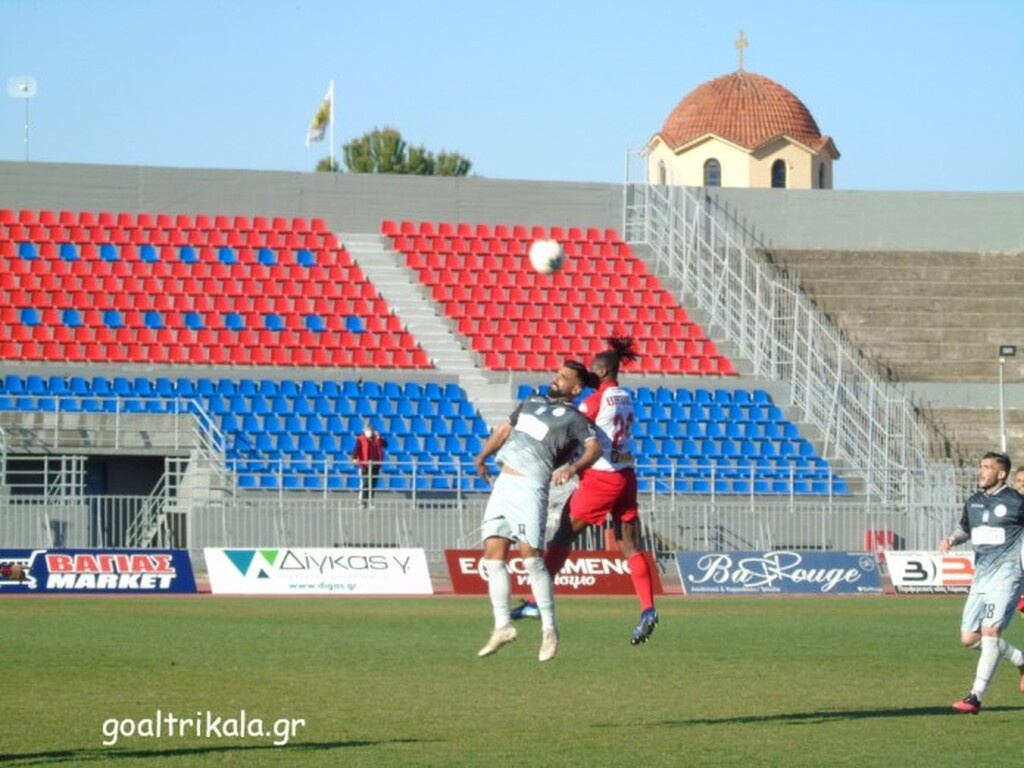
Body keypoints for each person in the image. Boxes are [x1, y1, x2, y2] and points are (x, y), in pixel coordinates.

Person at [511, 337, 660, 645]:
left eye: (593, 368)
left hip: (601, 479)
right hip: (627, 476)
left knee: (563, 536)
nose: (590, 372)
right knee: (630, 546)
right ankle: (647, 608)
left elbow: (573, 429)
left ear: (602, 371)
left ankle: (536, 603)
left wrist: (568, 467)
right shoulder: (627, 396)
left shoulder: (593, 402)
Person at [474, 361, 602, 662]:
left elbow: (593, 449)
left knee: (532, 559)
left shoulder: (573, 418)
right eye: (557, 375)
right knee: (493, 557)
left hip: (531, 487)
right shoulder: (531, 400)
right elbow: (505, 429)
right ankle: (502, 625)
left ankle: (550, 630)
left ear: (576, 388)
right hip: (504, 483)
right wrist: (482, 456)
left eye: (563, 378)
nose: (556, 380)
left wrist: (571, 468)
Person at [940, 451, 1024, 714]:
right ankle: (1021, 660)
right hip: (982, 578)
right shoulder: (974, 501)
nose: (981, 470)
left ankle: (975, 696)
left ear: (1001, 474)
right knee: (968, 638)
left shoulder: (1017, 502)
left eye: (987, 467)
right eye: (981, 466)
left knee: (990, 632)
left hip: (1008, 576)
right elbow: (966, 528)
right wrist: (952, 539)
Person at [352, 425, 387, 508]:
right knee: (365, 484)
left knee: (373, 485)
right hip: (365, 465)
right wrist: (354, 458)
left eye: (371, 430)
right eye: (367, 430)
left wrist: (379, 437)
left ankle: (370, 501)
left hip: (375, 465)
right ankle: (363, 502)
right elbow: (356, 449)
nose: (369, 432)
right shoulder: (361, 439)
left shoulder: (377, 439)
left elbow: (385, 444)